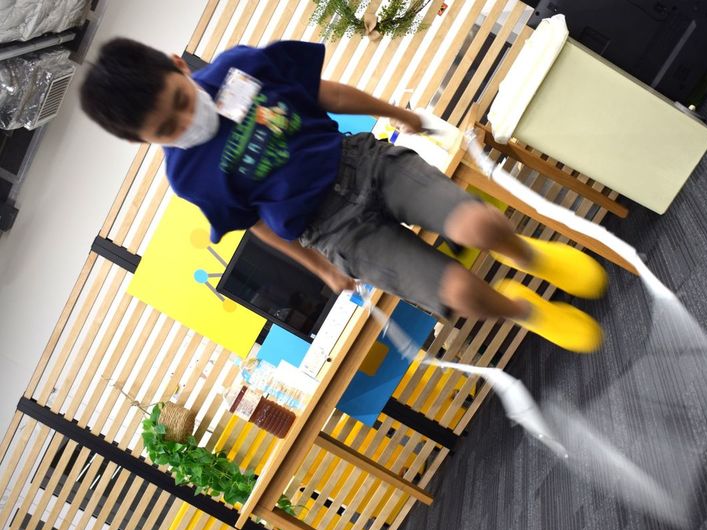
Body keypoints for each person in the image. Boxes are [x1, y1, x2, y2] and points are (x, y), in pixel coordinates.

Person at [80, 38, 606, 352]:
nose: (184, 121)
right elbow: (257, 227)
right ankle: (526, 311)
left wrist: (397, 113)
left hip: (362, 164)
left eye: (179, 101)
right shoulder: (188, 178)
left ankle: (531, 257)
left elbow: (324, 92)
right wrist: (324, 270)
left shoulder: (242, 68)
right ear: (143, 142)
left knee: (481, 226)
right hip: (332, 232)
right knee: (463, 296)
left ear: (178, 65)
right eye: (166, 129)